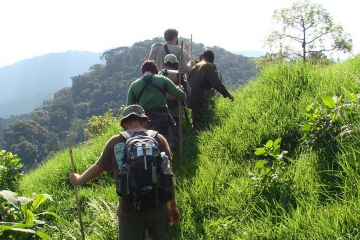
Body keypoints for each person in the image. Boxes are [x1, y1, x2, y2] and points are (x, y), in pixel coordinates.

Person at [69, 104, 180, 240]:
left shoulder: (115, 142)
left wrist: (78, 179)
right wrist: (172, 206)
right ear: (145, 121)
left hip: (129, 211)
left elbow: (98, 168)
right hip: (157, 206)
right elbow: (168, 174)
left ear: (125, 124)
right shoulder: (159, 139)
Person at [126, 59, 187, 142]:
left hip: (144, 120)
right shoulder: (163, 80)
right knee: (163, 143)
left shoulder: (134, 85)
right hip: (162, 118)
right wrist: (180, 89)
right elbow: (182, 97)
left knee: (147, 144)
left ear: (143, 71)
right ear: (155, 70)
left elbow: (129, 108)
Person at [187, 50, 234, 131]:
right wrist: (228, 95)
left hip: (189, 95)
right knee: (199, 122)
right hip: (199, 97)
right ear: (212, 58)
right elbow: (216, 83)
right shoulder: (208, 66)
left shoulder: (196, 65)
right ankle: (195, 136)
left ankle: (191, 135)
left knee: (195, 119)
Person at [159, 54, 191, 151]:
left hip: (163, 107)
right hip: (177, 106)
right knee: (175, 127)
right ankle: (174, 148)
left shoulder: (160, 75)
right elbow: (188, 92)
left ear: (165, 63)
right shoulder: (179, 75)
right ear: (176, 64)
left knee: (165, 128)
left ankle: (164, 147)